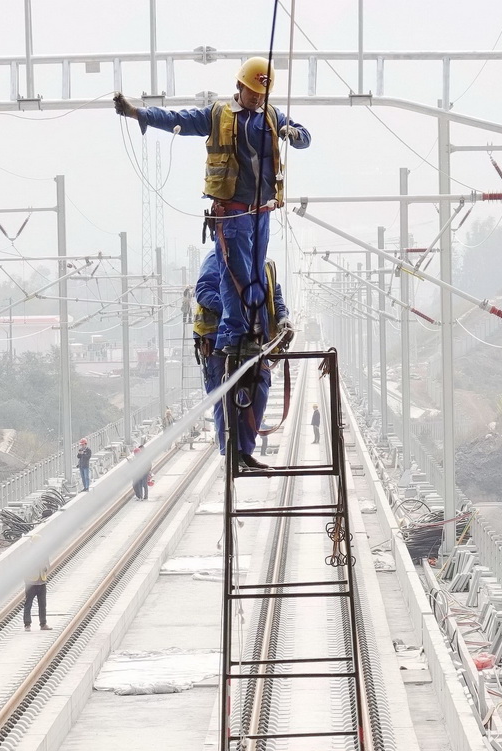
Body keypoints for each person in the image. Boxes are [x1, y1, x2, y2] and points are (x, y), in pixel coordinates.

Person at [114, 58, 309, 359]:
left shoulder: (271, 116)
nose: (257, 98)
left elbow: (304, 137)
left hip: (262, 212)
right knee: (235, 274)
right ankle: (235, 334)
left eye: (262, 94)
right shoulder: (218, 115)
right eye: (252, 91)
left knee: (256, 271)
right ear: (239, 86)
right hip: (231, 212)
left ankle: (252, 331)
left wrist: (293, 135)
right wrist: (140, 113)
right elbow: (180, 118)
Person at [193, 246, 290, 470]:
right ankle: (231, 454)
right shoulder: (219, 256)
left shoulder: (264, 261)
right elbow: (205, 291)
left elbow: (275, 294)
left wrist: (283, 318)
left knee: (259, 392)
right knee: (225, 397)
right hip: (218, 339)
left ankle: (244, 452)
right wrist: (233, 311)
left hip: (255, 341)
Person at [24, 559, 51, 631]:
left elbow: (47, 564)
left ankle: (43, 624)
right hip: (31, 583)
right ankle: (27, 624)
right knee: (28, 604)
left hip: (42, 582)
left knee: (42, 604)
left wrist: (45, 567)